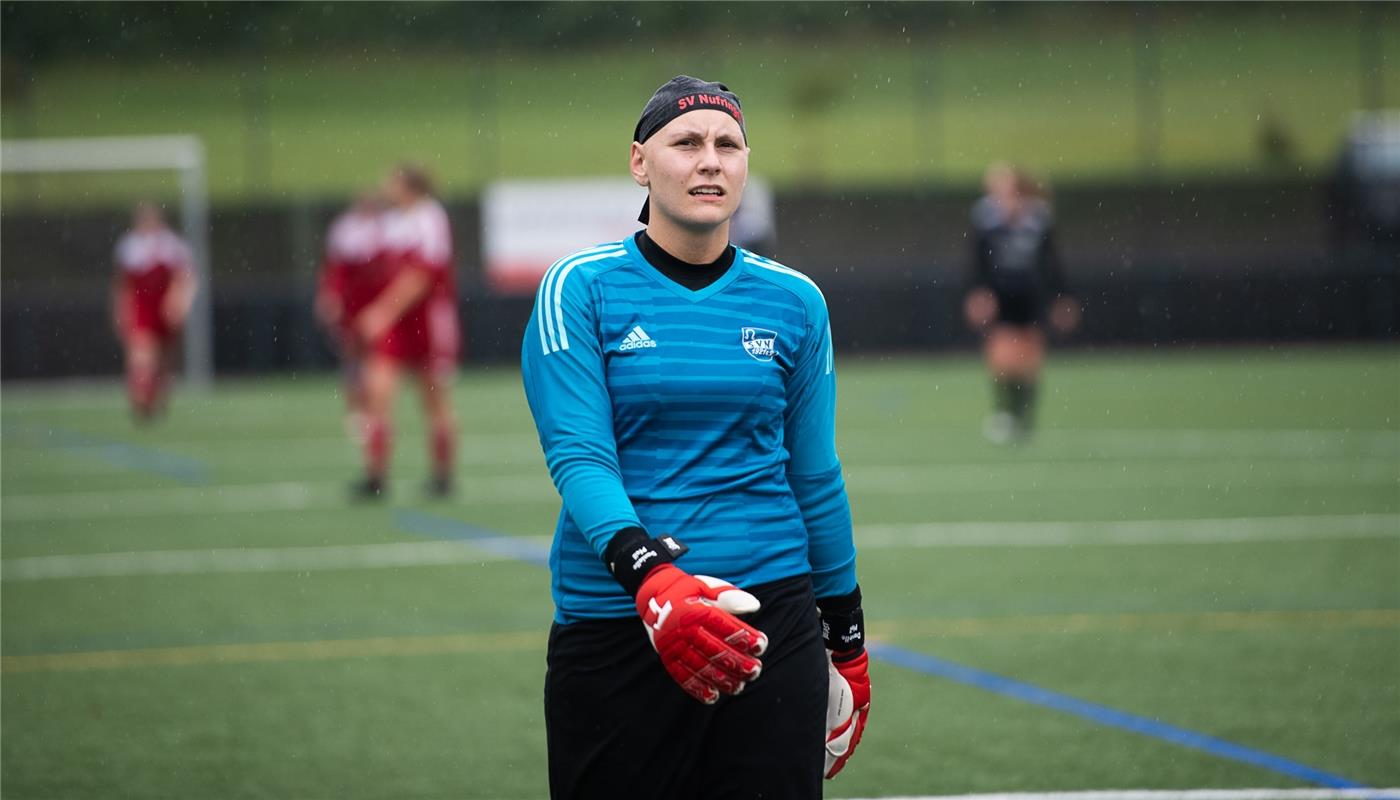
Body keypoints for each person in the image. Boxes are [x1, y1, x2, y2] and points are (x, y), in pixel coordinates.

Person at [521, 76, 870, 800]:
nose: (709, 160)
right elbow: (581, 458)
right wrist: (651, 580)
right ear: (640, 164)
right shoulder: (579, 287)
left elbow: (814, 474)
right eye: (686, 143)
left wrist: (847, 637)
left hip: (771, 619)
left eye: (727, 145)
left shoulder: (795, 299)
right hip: (620, 619)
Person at [351, 165, 458, 498]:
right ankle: (376, 476)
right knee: (378, 393)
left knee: (434, 399)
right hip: (398, 324)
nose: (387, 187)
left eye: (393, 181)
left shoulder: (430, 219)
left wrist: (382, 310)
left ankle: (442, 477)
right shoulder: (392, 222)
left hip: (427, 321)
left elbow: (422, 278)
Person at [964, 162, 1079, 444]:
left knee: (1029, 356)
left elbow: (1053, 264)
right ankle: (1005, 412)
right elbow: (976, 262)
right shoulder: (985, 218)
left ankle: (1024, 415)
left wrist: (1061, 298)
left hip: (1030, 294)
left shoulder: (1038, 218)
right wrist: (978, 293)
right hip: (1000, 294)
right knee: (1001, 356)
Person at [314, 191, 389, 444]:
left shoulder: (388, 225)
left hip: (378, 301)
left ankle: (373, 411)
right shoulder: (345, 229)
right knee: (352, 357)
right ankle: (356, 410)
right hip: (353, 302)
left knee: (377, 359)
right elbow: (335, 268)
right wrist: (330, 296)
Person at [110, 202, 196, 422]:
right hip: (142, 308)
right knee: (141, 357)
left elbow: (185, 277)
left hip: (164, 309)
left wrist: (179, 302)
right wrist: (122, 311)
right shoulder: (129, 246)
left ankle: (158, 401)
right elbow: (123, 285)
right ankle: (140, 401)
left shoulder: (172, 245)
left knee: (165, 362)